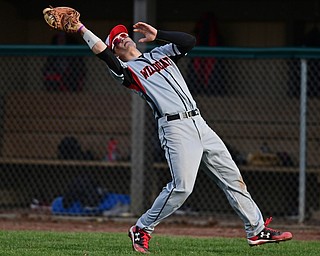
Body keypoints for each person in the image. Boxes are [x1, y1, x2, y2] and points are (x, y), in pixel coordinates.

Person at [65, 18, 292, 253]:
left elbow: (189, 41)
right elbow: (103, 53)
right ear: (116, 52)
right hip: (174, 127)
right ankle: (142, 228)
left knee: (233, 178)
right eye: (117, 39)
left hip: (199, 122)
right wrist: (81, 29)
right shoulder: (126, 71)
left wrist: (159, 33)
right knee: (182, 187)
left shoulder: (160, 54)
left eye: (123, 34)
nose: (122, 37)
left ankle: (256, 230)